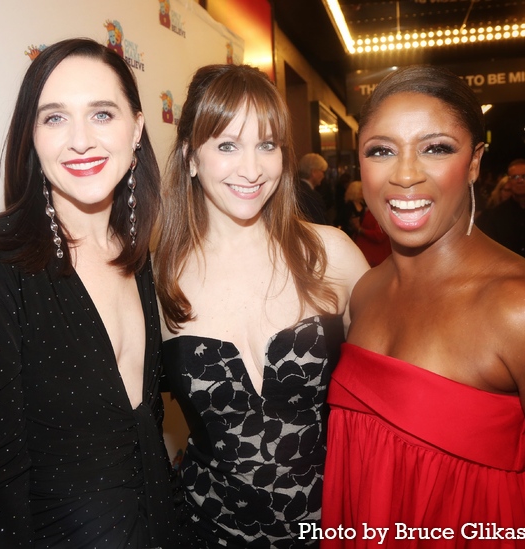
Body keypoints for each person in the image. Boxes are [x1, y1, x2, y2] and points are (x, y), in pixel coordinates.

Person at [321, 65, 525, 548]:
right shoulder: (365, 291)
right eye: (381, 150)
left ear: (475, 162)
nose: (404, 174)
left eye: (435, 147)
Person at [0, 38, 180, 549]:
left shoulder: (137, 253)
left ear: (137, 128)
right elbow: (3, 473)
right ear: (31, 135)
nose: (80, 140)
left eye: (102, 114)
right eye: (54, 118)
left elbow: (146, 421)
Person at [154, 64, 369, 547]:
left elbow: (398, 378)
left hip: (330, 525)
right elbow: (111, 404)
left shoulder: (329, 253)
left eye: (266, 145)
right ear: (191, 157)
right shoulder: (158, 280)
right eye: (227, 145)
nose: (251, 169)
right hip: (207, 529)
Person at [296, 152, 330, 225]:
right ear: (314, 172)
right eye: (322, 172)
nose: (323, 176)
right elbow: (321, 224)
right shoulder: (312, 196)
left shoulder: (294, 190)